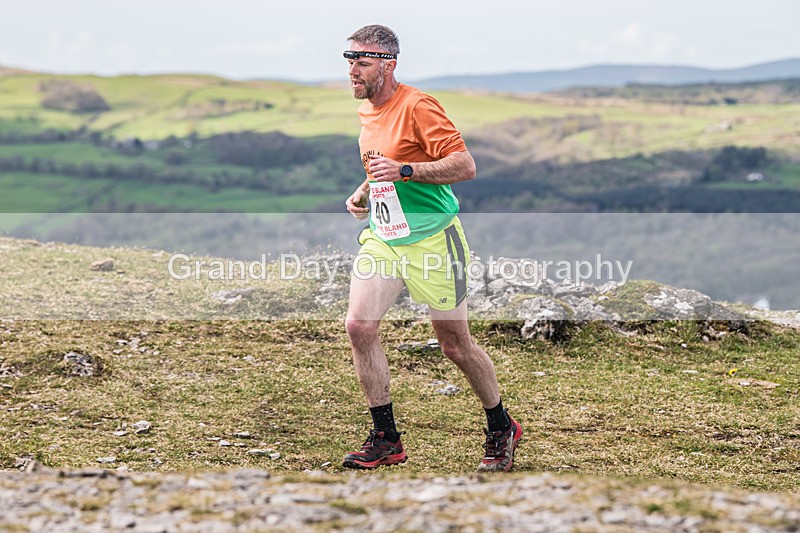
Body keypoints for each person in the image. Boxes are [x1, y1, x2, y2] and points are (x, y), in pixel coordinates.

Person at [341, 24, 522, 473]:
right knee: (359, 326)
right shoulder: (368, 110)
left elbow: (465, 165)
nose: (353, 71)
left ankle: (500, 425)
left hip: (434, 239)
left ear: (388, 64)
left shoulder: (418, 105)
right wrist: (365, 190)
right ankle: (386, 439)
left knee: (454, 345)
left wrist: (404, 172)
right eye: (348, 60)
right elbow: (381, 159)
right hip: (385, 238)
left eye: (362, 61)